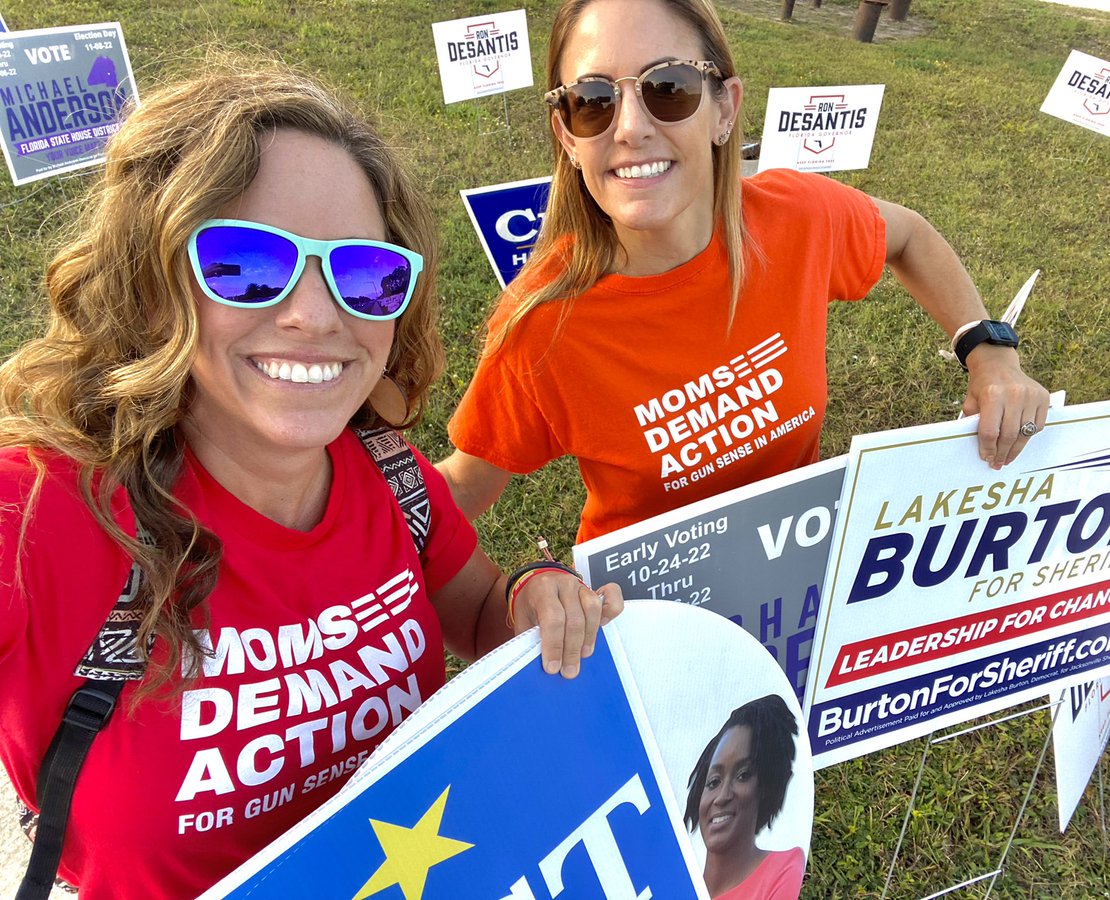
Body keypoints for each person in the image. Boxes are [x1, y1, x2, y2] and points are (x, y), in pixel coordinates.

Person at [0, 62, 622, 900]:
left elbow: (476, 609)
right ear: (152, 285)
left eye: (364, 274)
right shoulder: (39, 513)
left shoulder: (389, 472)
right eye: (248, 262)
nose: (317, 314)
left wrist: (535, 598)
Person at [439, 0, 1051, 544]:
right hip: (648, 613)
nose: (629, 128)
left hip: (801, 573)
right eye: (593, 101)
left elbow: (909, 236)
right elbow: (465, 485)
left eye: (668, 87)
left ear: (724, 108)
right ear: (568, 136)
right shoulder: (542, 321)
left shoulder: (796, 218)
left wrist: (988, 350)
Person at [684, 695, 805, 898]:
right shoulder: (671, 884)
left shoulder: (782, 871)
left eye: (743, 776)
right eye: (713, 782)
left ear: (766, 787)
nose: (722, 797)